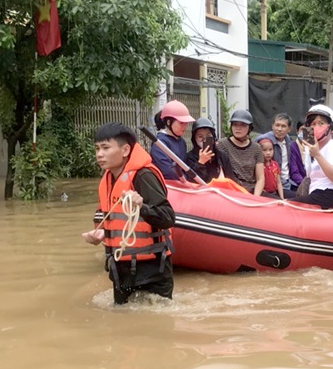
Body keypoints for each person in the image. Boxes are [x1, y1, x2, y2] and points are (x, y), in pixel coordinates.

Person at [82, 123, 175, 304]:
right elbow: (107, 216)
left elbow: (168, 217)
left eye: (106, 148)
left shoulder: (143, 176)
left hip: (152, 269)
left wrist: (141, 207)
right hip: (120, 268)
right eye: (97, 148)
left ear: (125, 150)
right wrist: (100, 234)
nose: (99, 154)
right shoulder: (108, 180)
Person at [293, 104, 333, 209]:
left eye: (321, 123)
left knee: (293, 204)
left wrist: (317, 155)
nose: (316, 127)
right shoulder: (310, 149)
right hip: (317, 193)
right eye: (313, 124)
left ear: (330, 127)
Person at [214, 109, 265, 195]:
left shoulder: (256, 148)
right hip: (232, 190)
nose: (238, 128)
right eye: (235, 124)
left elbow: (260, 178)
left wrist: (255, 198)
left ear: (250, 128)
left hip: (252, 191)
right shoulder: (222, 144)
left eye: (243, 125)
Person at [150, 100, 195, 180]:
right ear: (168, 122)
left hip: (182, 186)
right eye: (181, 123)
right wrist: (185, 181)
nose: (185, 126)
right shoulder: (159, 143)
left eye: (186, 123)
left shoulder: (182, 142)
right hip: (167, 187)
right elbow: (168, 171)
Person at [255, 113, 298, 191]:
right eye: (277, 125)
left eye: (283, 126)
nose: (279, 129)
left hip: (289, 182)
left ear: (289, 129)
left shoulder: (288, 140)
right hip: (273, 185)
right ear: (272, 126)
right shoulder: (263, 140)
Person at [185, 117, 231, 183]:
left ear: (213, 137)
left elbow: (231, 180)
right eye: (200, 136)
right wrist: (200, 163)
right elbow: (191, 182)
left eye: (208, 135)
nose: (204, 139)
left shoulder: (222, 156)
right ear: (194, 139)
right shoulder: (190, 157)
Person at [289, 120, 308, 188]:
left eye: (307, 130)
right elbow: (294, 171)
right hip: (296, 184)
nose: (304, 132)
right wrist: (305, 186)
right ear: (297, 131)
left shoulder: (314, 147)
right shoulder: (292, 147)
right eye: (302, 129)